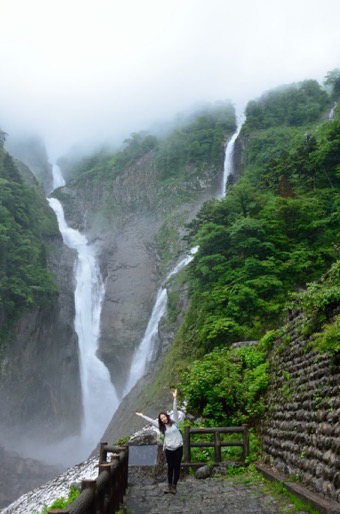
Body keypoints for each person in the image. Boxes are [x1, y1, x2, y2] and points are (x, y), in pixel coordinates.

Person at [135, 389, 183, 494]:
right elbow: (152, 421)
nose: (163, 419)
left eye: (164, 417)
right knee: (170, 467)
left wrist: (175, 398)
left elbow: (175, 410)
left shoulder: (175, 422)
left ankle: (174, 486)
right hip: (169, 449)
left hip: (178, 448)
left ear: (167, 416)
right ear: (160, 420)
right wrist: (142, 416)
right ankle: (169, 486)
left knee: (177, 467)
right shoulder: (162, 427)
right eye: (161, 419)